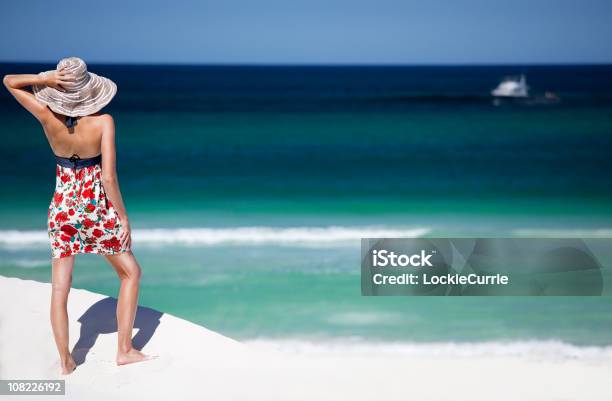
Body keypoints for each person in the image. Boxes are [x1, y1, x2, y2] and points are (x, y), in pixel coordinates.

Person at [3, 57, 153, 374]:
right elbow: (108, 178)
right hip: (95, 209)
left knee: (60, 288)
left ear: (59, 91)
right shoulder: (103, 122)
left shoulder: (46, 116)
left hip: (62, 209)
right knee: (130, 273)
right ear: (88, 92)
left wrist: (45, 78)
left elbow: (9, 81)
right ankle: (124, 350)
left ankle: (66, 361)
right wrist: (123, 218)